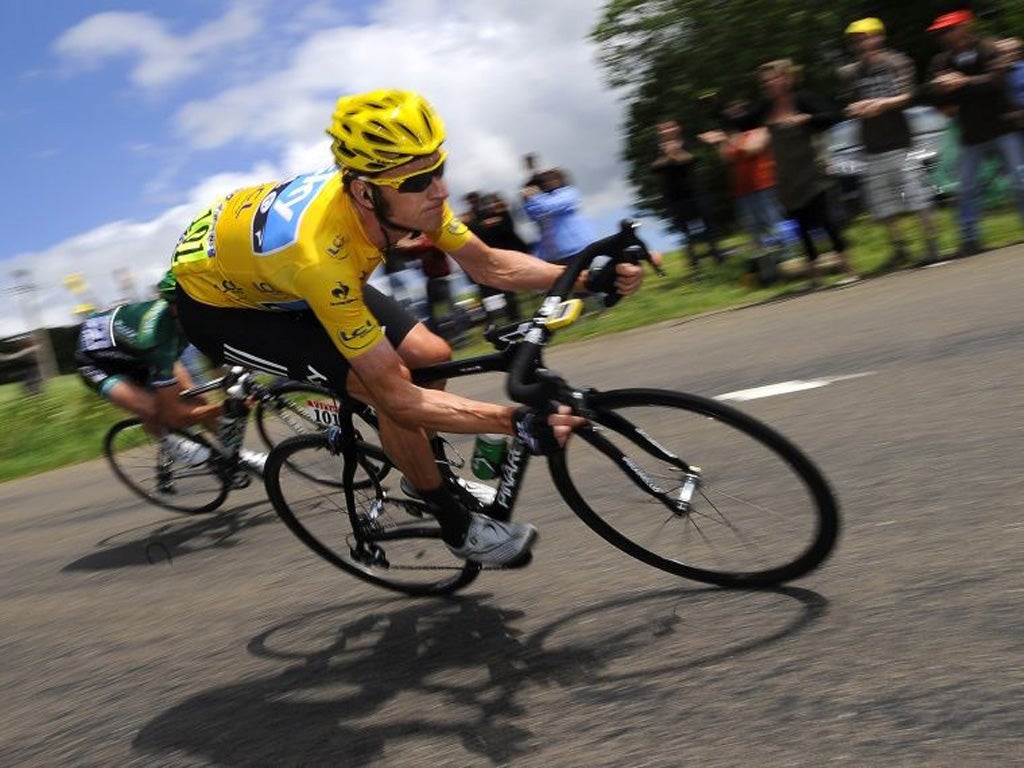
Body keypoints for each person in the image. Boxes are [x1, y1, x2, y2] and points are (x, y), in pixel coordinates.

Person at [169, 89, 644, 567]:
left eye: (439, 169)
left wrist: (588, 278)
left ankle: (420, 470)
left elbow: (490, 266)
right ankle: (455, 525)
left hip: (281, 273)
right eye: (420, 180)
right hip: (223, 307)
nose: (439, 190)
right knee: (387, 388)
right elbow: (395, 394)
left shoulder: (400, 197)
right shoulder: (323, 254)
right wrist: (514, 423)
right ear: (363, 191)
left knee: (432, 354)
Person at [74, 272, 266, 472]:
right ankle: (170, 442)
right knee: (155, 410)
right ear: (174, 308)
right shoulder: (157, 338)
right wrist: (225, 408)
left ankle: (237, 454)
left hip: (134, 348)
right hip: (97, 362)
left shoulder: (184, 319)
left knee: (198, 398)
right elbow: (173, 415)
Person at [728, 61, 858, 286]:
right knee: (802, 224)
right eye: (765, 81)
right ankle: (815, 276)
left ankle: (848, 269)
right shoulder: (765, 108)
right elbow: (742, 123)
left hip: (812, 168)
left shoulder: (803, 99)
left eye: (773, 79)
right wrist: (716, 109)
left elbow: (831, 115)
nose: (769, 84)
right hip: (787, 174)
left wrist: (807, 118)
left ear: (786, 79)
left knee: (825, 220)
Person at [922, 10, 1024, 258]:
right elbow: (934, 92)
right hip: (970, 134)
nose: (944, 36)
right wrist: (943, 102)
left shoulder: (989, 48)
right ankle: (969, 239)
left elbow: (997, 82)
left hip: (1002, 127)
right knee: (966, 187)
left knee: (1019, 181)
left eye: (948, 30)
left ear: (964, 27)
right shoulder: (942, 61)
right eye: (940, 32)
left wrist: (963, 84)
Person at [840, 17, 940, 268]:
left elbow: (909, 95)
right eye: (855, 40)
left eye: (864, 37)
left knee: (917, 197)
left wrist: (882, 104)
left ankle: (932, 246)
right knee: (883, 204)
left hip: (900, 142)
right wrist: (855, 108)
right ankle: (900, 249)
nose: (860, 43)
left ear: (878, 37)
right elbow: (849, 104)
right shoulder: (850, 72)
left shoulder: (897, 63)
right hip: (871, 146)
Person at [699, 104, 784, 258]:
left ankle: (786, 256)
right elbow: (725, 158)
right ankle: (765, 261)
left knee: (772, 222)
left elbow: (751, 149)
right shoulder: (732, 137)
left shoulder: (760, 131)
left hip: (763, 186)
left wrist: (726, 139)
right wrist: (720, 142)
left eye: (737, 112)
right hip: (742, 191)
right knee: (752, 227)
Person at [651, 119, 726, 273]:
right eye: (662, 130)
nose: (666, 131)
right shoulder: (658, 150)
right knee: (686, 233)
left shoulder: (688, 143)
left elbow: (691, 159)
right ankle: (695, 266)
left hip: (695, 192)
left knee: (709, 227)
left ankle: (719, 258)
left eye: (669, 128)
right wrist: (668, 155)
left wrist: (675, 153)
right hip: (675, 198)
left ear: (677, 128)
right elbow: (655, 167)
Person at [521, 167, 596, 265]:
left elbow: (548, 207)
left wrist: (534, 197)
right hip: (555, 254)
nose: (549, 182)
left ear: (561, 180)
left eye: (552, 179)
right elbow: (533, 213)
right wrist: (529, 198)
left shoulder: (569, 193)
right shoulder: (543, 198)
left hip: (577, 248)